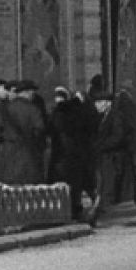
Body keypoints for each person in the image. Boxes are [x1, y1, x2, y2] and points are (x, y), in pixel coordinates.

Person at [88, 89, 136, 226]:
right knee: (113, 187)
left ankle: (93, 217)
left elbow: (118, 137)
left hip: (117, 159)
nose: (96, 106)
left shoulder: (116, 116)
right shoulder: (106, 116)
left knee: (112, 187)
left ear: (106, 103)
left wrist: (102, 146)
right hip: (112, 158)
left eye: (98, 103)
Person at [46, 85, 97, 220]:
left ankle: (70, 209)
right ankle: (77, 208)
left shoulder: (57, 113)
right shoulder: (78, 111)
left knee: (66, 183)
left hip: (62, 154)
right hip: (76, 153)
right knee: (77, 183)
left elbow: (51, 130)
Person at [0, 81, 49, 184]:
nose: (33, 96)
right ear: (26, 93)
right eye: (32, 93)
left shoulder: (3, 109)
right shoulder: (34, 109)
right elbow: (40, 130)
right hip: (29, 157)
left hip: (7, 158)